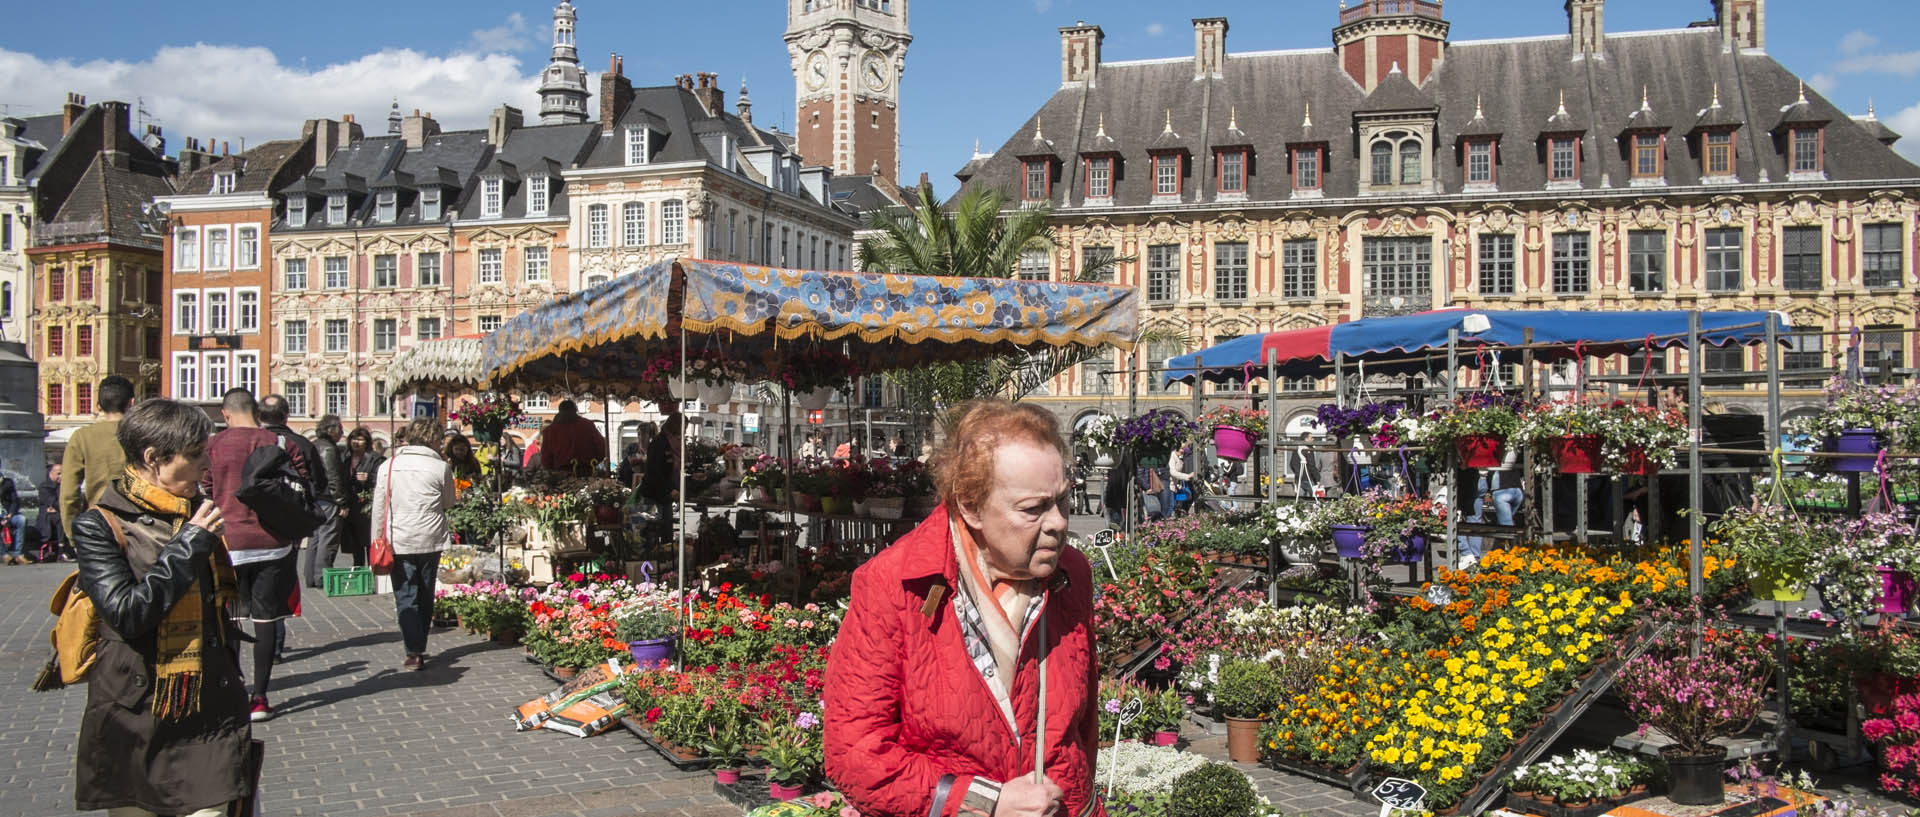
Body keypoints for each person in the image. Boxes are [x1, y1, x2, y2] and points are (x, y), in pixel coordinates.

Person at [824, 400, 1100, 817]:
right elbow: (856, 754)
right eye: (1033, 508)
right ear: (970, 505)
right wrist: (982, 802)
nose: (1059, 522)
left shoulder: (1071, 574)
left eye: (1062, 500)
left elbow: (1083, 730)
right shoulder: (894, 585)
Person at [71, 397, 251, 816]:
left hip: (207, 709)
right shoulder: (100, 524)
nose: (206, 464)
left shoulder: (194, 509)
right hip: (139, 710)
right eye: (194, 455)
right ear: (153, 458)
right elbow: (127, 614)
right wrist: (189, 544)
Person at [205, 388, 305, 722]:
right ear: (256, 412)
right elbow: (301, 483)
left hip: (228, 542)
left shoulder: (214, 445)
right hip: (272, 541)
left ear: (225, 414)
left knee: (230, 620)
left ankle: (233, 689)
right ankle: (260, 698)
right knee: (266, 619)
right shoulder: (278, 443)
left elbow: (204, 487)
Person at [372, 418, 456, 670]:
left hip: (398, 538)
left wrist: (376, 538)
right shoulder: (440, 467)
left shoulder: (389, 465)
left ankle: (413, 650)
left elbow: (379, 508)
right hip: (430, 537)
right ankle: (419, 643)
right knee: (425, 590)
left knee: (405, 593)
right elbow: (449, 502)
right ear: (432, 439)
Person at [61, 374, 134, 541]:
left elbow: (68, 493)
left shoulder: (82, 437)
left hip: (99, 523)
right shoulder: (145, 434)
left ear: (98, 405)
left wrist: (73, 535)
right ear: (132, 403)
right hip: (141, 524)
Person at [343, 427, 384, 567]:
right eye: (354, 439)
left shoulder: (375, 458)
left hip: (367, 506)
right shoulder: (345, 457)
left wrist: (368, 479)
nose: (356, 442)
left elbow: (380, 479)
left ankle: (373, 572)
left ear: (367, 442)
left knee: (369, 541)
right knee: (355, 544)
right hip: (352, 504)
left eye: (360, 440)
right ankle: (358, 571)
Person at [538, 399, 607, 476]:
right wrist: (594, 462)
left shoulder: (550, 431)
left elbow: (545, 459)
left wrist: (553, 469)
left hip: (561, 473)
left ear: (559, 411)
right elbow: (602, 447)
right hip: (586, 471)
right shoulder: (588, 425)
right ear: (575, 410)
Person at [640, 400, 685, 516]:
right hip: (655, 493)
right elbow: (655, 470)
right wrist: (669, 489)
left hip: (664, 494)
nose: (684, 431)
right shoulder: (660, 442)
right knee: (656, 526)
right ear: (676, 426)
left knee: (665, 525)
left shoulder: (670, 441)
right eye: (684, 427)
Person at [38, 462, 71, 562]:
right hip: (47, 516)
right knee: (60, 519)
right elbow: (52, 501)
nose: (61, 476)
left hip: (60, 513)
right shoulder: (44, 487)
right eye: (58, 474)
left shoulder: (64, 486)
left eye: (63, 474)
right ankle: (61, 551)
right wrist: (62, 507)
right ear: (51, 474)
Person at [0, 460, 23, 564]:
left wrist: (10, 515)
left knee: (21, 520)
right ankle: (4, 554)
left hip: (8, 514)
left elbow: (15, 501)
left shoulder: (8, 482)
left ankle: (18, 554)